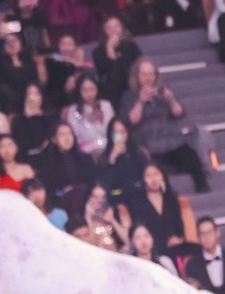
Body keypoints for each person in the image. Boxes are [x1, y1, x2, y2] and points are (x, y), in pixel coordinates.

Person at [119, 57, 211, 192]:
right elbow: (131, 121)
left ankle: (202, 186)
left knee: (190, 156)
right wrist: (140, 101)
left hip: (170, 140)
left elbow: (179, 113)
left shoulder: (162, 92)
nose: (148, 78)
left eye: (151, 74)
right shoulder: (129, 96)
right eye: (144, 74)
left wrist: (171, 99)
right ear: (137, 76)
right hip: (146, 144)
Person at [39, 121, 97, 214]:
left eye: (69, 134)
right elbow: (49, 190)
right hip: (61, 205)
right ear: (54, 139)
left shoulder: (86, 159)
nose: (67, 138)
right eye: (62, 134)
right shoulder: (47, 163)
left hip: (86, 203)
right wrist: (64, 192)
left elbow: (93, 182)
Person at [127, 162, 184, 249]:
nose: (153, 179)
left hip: (174, 247)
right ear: (143, 179)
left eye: (156, 174)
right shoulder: (137, 202)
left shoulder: (171, 198)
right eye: (149, 176)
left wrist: (177, 239)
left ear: (162, 176)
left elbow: (179, 226)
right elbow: (139, 228)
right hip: (150, 249)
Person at [64, 73, 115, 159]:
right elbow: (74, 135)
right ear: (79, 91)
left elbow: (114, 131)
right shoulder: (73, 110)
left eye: (92, 89)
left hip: (106, 148)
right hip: (85, 152)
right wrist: (86, 120)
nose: (89, 94)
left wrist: (101, 120)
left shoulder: (105, 106)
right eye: (85, 90)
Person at [94, 16, 141, 108]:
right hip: (111, 88)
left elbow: (136, 66)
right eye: (109, 28)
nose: (113, 30)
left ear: (122, 28)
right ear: (104, 31)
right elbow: (106, 72)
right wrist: (110, 49)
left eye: (117, 26)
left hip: (131, 82)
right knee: (113, 78)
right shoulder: (98, 52)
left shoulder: (131, 46)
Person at [0, 30, 39, 115]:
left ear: (21, 44)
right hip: (7, 97)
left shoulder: (28, 62)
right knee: (5, 90)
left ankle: (31, 118)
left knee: (33, 91)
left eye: (14, 41)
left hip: (27, 96)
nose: (11, 44)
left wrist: (32, 89)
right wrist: (1, 38)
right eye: (7, 42)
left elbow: (34, 80)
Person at [99, 117, 148, 199]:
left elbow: (143, 176)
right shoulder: (104, 159)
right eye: (116, 133)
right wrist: (112, 159)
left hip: (138, 194)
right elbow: (107, 185)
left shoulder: (138, 153)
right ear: (110, 135)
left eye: (122, 132)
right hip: (117, 196)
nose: (120, 136)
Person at [12, 82, 55, 162]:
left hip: (48, 158)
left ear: (41, 96)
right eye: (29, 94)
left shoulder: (51, 118)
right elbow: (22, 144)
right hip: (26, 160)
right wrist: (27, 118)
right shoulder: (19, 120)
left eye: (36, 93)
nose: (33, 97)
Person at [82, 182, 130, 250]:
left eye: (103, 197)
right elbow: (89, 245)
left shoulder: (117, 211)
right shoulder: (82, 219)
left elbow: (127, 240)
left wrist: (112, 220)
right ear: (89, 197)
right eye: (95, 197)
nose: (99, 201)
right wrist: (88, 218)